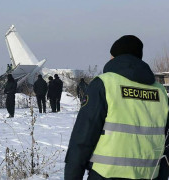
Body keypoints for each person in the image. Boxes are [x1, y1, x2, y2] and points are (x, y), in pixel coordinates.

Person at [65, 35, 169, 180]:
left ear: (114, 58)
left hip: (105, 175)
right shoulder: (161, 92)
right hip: (150, 175)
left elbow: (83, 138)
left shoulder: (104, 84)